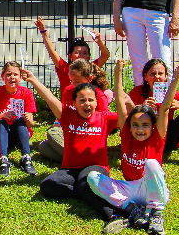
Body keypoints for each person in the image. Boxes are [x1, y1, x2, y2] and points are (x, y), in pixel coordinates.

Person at [88, 59, 179, 234]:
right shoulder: (126, 135)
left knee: (152, 164)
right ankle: (132, 209)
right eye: (136, 125)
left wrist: (175, 79)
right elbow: (119, 102)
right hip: (130, 188)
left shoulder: (157, 137)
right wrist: (118, 72)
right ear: (129, 127)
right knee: (93, 178)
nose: (140, 130)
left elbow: (165, 108)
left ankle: (156, 213)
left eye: (145, 125)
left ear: (152, 127)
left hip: (151, 189)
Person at [22, 70, 120, 221]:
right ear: (74, 103)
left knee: (86, 181)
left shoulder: (105, 118)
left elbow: (128, 119)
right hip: (71, 170)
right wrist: (34, 80)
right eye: (82, 100)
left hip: (96, 168)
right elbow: (50, 98)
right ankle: (86, 192)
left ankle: (112, 214)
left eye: (90, 100)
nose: (87, 104)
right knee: (48, 185)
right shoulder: (67, 115)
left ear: (96, 102)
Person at [39, 58, 111, 163]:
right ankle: (81, 159)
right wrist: (58, 123)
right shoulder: (68, 91)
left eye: (77, 81)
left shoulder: (99, 96)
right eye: (71, 80)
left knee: (52, 133)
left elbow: (105, 124)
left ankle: (78, 159)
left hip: (89, 135)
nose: (73, 85)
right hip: (71, 134)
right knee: (43, 146)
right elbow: (63, 114)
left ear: (89, 79)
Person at [0, 61, 37, 176]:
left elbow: (30, 124)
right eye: (8, 74)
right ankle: (4, 160)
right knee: (2, 122)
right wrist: (3, 115)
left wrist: (27, 118)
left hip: (20, 132)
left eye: (15, 75)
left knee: (19, 120)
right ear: (2, 77)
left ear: (20, 77)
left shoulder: (27, 93)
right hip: (3, 134)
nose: (12, 78)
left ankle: (26, 158)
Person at [35, 16, 110, 92]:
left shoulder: (92, 68)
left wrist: (99, 41)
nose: (81, 55)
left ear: (89, 57)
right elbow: (52, 52)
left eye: (84, 53)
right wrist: (43, 32)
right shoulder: (64, 68)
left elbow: (105, 55)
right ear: (70, 56)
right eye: (77, 53)